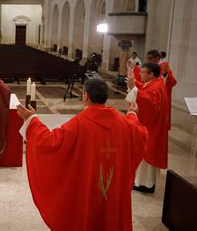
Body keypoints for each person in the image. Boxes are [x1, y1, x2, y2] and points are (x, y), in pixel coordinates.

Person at [16, 78, 148, 230]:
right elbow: (141, 134)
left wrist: (31, 120)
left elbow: (50, 142)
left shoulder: (79, 124)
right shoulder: (123, 122)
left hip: (87, 190)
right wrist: (131, 114)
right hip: (113, 192)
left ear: (85, 96)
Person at [126, 62, 168, 194]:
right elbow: (145, 90)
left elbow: (151, 105)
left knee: (147, 156)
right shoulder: (155, 83)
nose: (140, 74)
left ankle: (145, 184)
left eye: (143, 72)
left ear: (151, 74)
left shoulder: (157, 87)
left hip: (151, 128)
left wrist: (134, 89)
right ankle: (141, 182)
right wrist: (134, 85)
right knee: (144, 157)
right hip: (151, 126)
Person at [133, 49, 177, 130]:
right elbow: (146, 83)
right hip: (153, 96)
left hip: (160, 98)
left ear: (157, 58)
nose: (148, 60)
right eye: (147, 58)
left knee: (157, 124)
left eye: (150, 58)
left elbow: (172, 82)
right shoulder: (149, 68)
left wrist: (165, 74)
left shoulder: (163, 67)